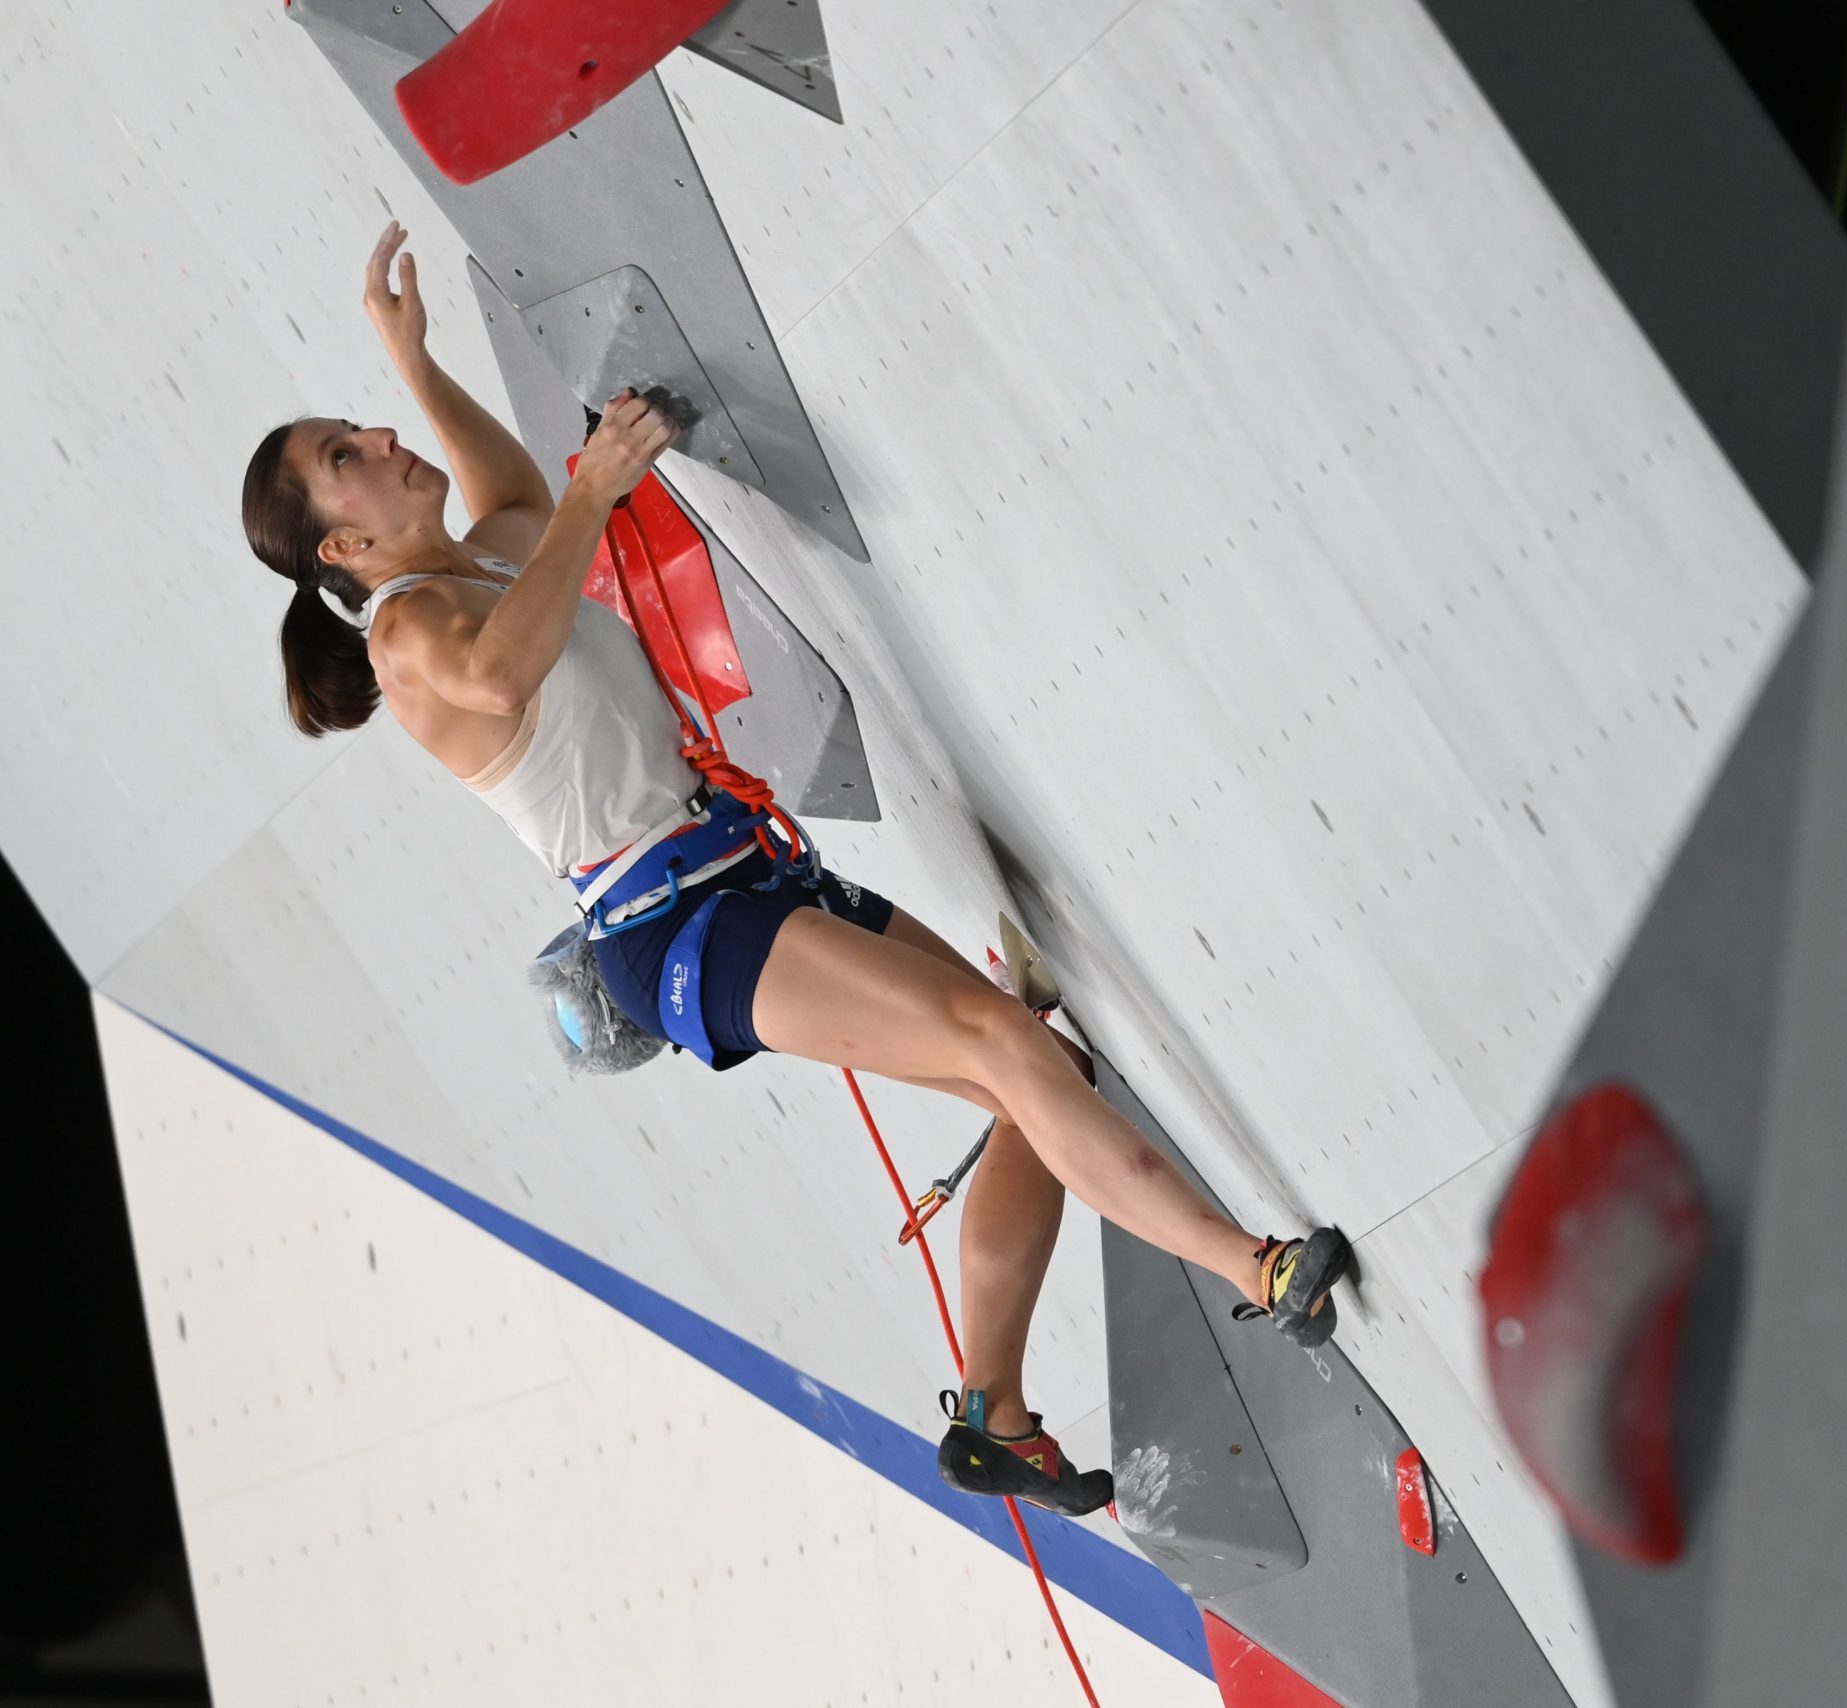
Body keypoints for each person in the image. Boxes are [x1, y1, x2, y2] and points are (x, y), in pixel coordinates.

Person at [237, 220, 1349, 1516]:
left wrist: (419, 366)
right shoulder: (409, 631)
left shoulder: (479, 559)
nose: (378, 441)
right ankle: (1259, 1269)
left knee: (1039, 1062)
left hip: (738, 874)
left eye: (360, 426)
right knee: (1006, 1048)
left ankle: (992, 1416)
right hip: (682, 930)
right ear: (340, 550)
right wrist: (594, 493)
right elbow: (502, 664)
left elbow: (525, 507)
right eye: (345, 458)